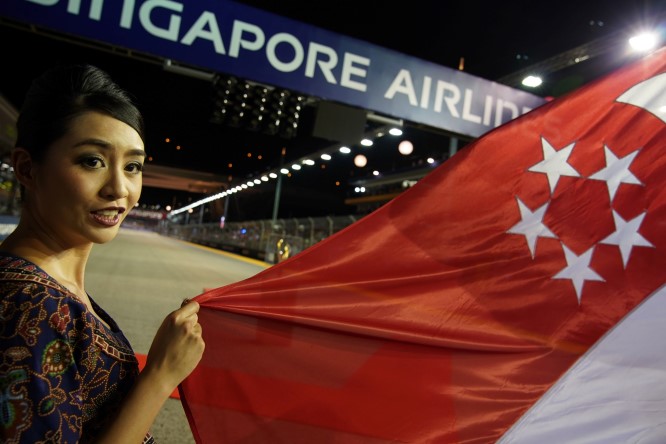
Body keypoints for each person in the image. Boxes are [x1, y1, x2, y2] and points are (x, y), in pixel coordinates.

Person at [0, 63, 205, 443]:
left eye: (132, 166)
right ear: (27, 169)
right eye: (92, 160)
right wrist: (159, 376)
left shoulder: (48, 288)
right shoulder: (31, 305)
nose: (119, 188)